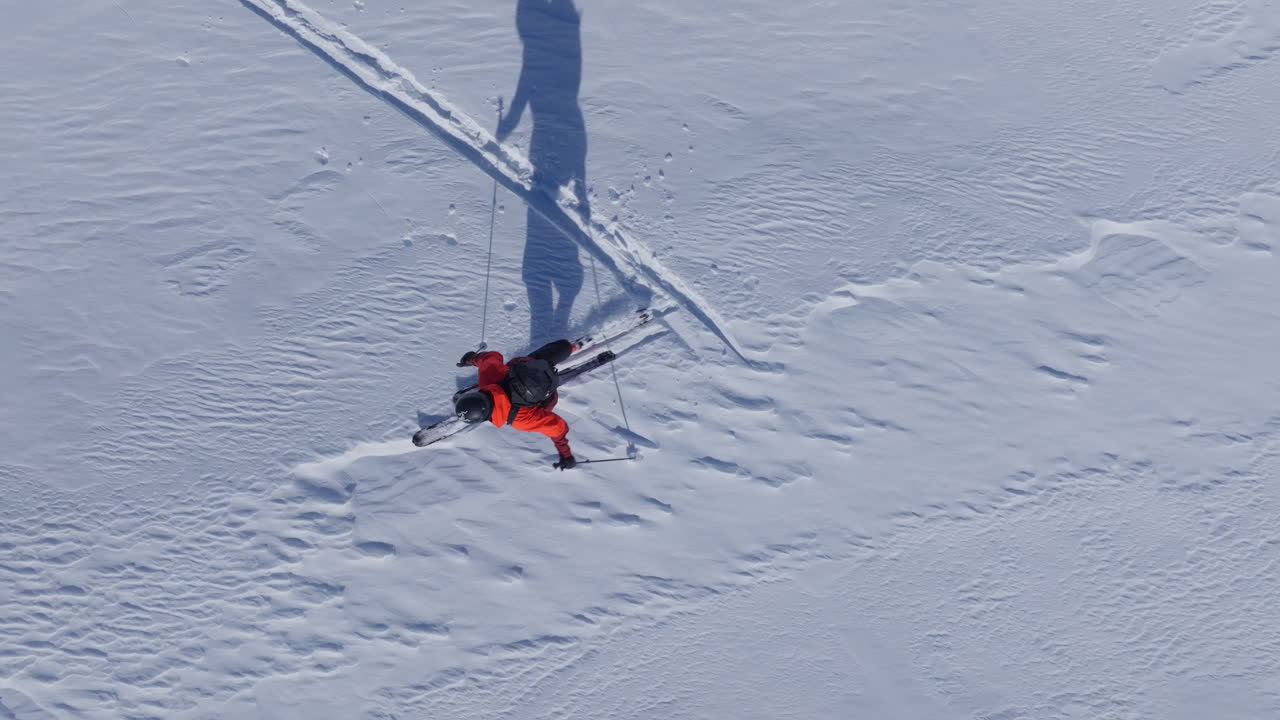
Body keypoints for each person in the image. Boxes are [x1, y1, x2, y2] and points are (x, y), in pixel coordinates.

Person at [454, 340, 578, 470]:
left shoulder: (520, 420)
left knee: (544, 407)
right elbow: (493, 357)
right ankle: (571, 347)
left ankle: (551, 376)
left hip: (549, 393)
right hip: (530, 366)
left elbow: (557, 427)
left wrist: (566, 455)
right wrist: (472, 358)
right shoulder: (487, 378)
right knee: (558, 349)